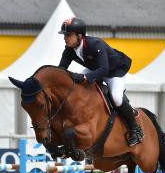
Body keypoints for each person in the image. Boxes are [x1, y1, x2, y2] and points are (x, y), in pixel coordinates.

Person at [58, 17, 144, 147]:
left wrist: (85, 78)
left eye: (68, 35)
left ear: (79, 36)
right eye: (64, 35)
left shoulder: (96, 44)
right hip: (95, 69)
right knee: (76, 86)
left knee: (116, 98)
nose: (65, 38)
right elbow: (61, 71)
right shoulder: (69, 50)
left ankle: (135, 129)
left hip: (114, 71)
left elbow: (104, 69)